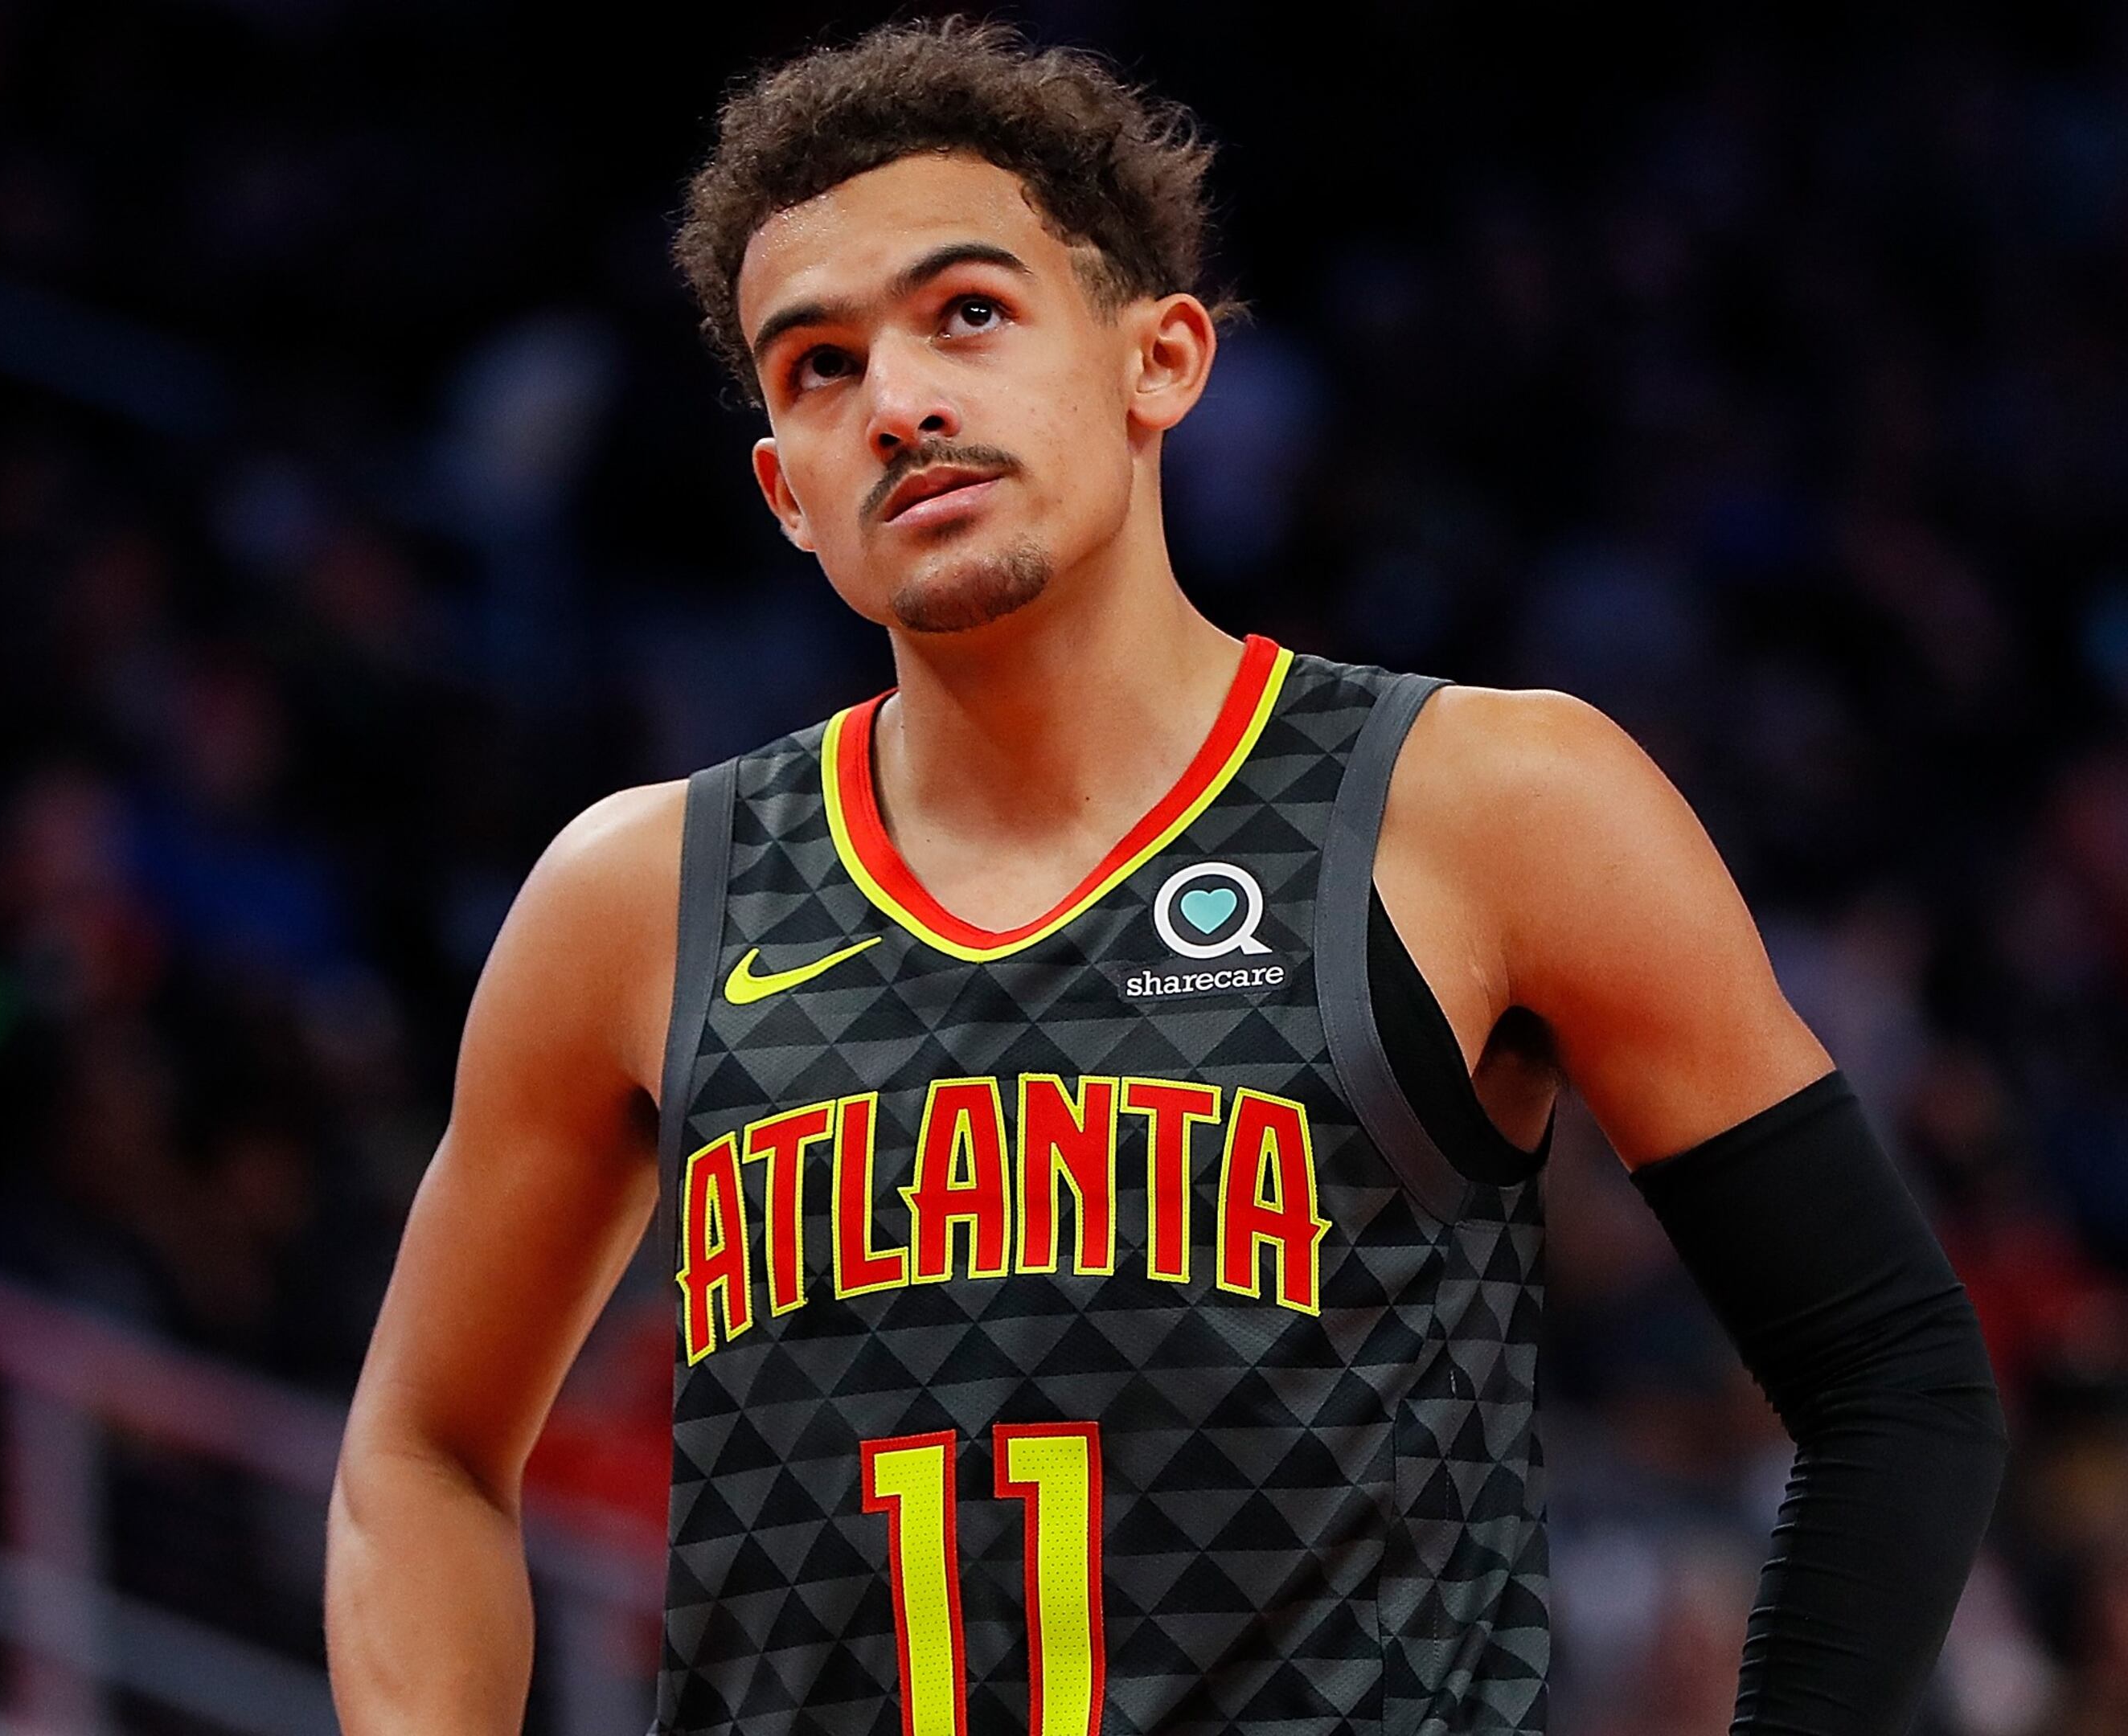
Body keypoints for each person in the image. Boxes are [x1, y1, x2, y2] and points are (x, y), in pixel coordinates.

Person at [326, 20, 2006, 1735]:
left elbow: (1895, 1376)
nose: (898, 402)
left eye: (968, 313)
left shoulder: (1488, 807)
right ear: (783, 492)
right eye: (818, 367)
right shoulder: (640, 897)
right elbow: (421, 1451)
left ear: (1162, 360)